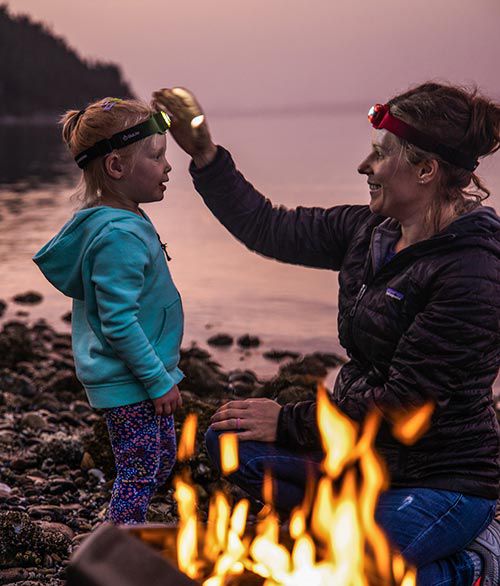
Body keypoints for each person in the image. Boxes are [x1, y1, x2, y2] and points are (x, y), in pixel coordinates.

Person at [153, 83, 500, 585]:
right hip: (360, 458)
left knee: (342, 573)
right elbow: (267, 227)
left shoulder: (471, 273)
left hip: (441, 481)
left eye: (380, 155)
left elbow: (402, 405)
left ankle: (473, 564)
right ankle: (351, 521)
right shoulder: (368, 232)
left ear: (425, 171)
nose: (365, 166)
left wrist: (289, 422)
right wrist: (205, 154)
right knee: (227, 440)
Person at [33, 97, 184, 525]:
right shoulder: (118, 235)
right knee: (138, 474)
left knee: (160, 460)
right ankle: (115, 546)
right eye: (156, 157)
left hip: (146, 373)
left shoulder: (121, 218)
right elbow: (118, 322)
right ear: (116, 167)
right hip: (131, 380)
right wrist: (157, 381)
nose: (168, 168)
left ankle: (129, 527)